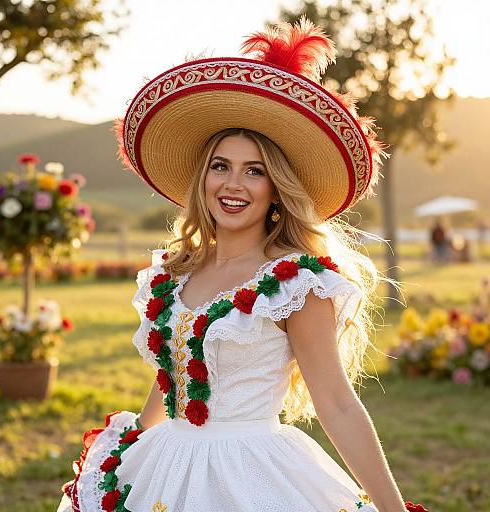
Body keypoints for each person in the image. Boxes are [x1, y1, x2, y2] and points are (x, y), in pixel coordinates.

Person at [57, 17, 427, 512]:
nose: (233, 185)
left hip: (253, 473)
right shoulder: (176, 271)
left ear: (276, 190)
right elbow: (174, 375)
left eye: (254, 171)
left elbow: (337, 404)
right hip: (168, 463)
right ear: (203, 178)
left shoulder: (296, 283)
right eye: (220, 166)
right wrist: (132, 446)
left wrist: (394, 510)